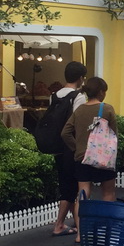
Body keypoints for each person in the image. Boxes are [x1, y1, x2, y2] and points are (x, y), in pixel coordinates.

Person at [61, 76, 118, 244]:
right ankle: (106, 232)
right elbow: (114, 135)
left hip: (82, 158)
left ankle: (81, 234)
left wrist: (77, 148)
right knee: (108, 193)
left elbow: (65, 133)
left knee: (83, 195)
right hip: (104, 158)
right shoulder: (107, 109)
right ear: (101, 92)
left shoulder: (79, 110)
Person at [50, 61, 87, 237]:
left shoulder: (55, 95)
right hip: (71, 145)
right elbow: (77, 125)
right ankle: (59, 224)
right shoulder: (78, 97)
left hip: (56, 145)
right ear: (80, 78)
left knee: (66, 183)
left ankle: (76, 224)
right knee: (70, 187)